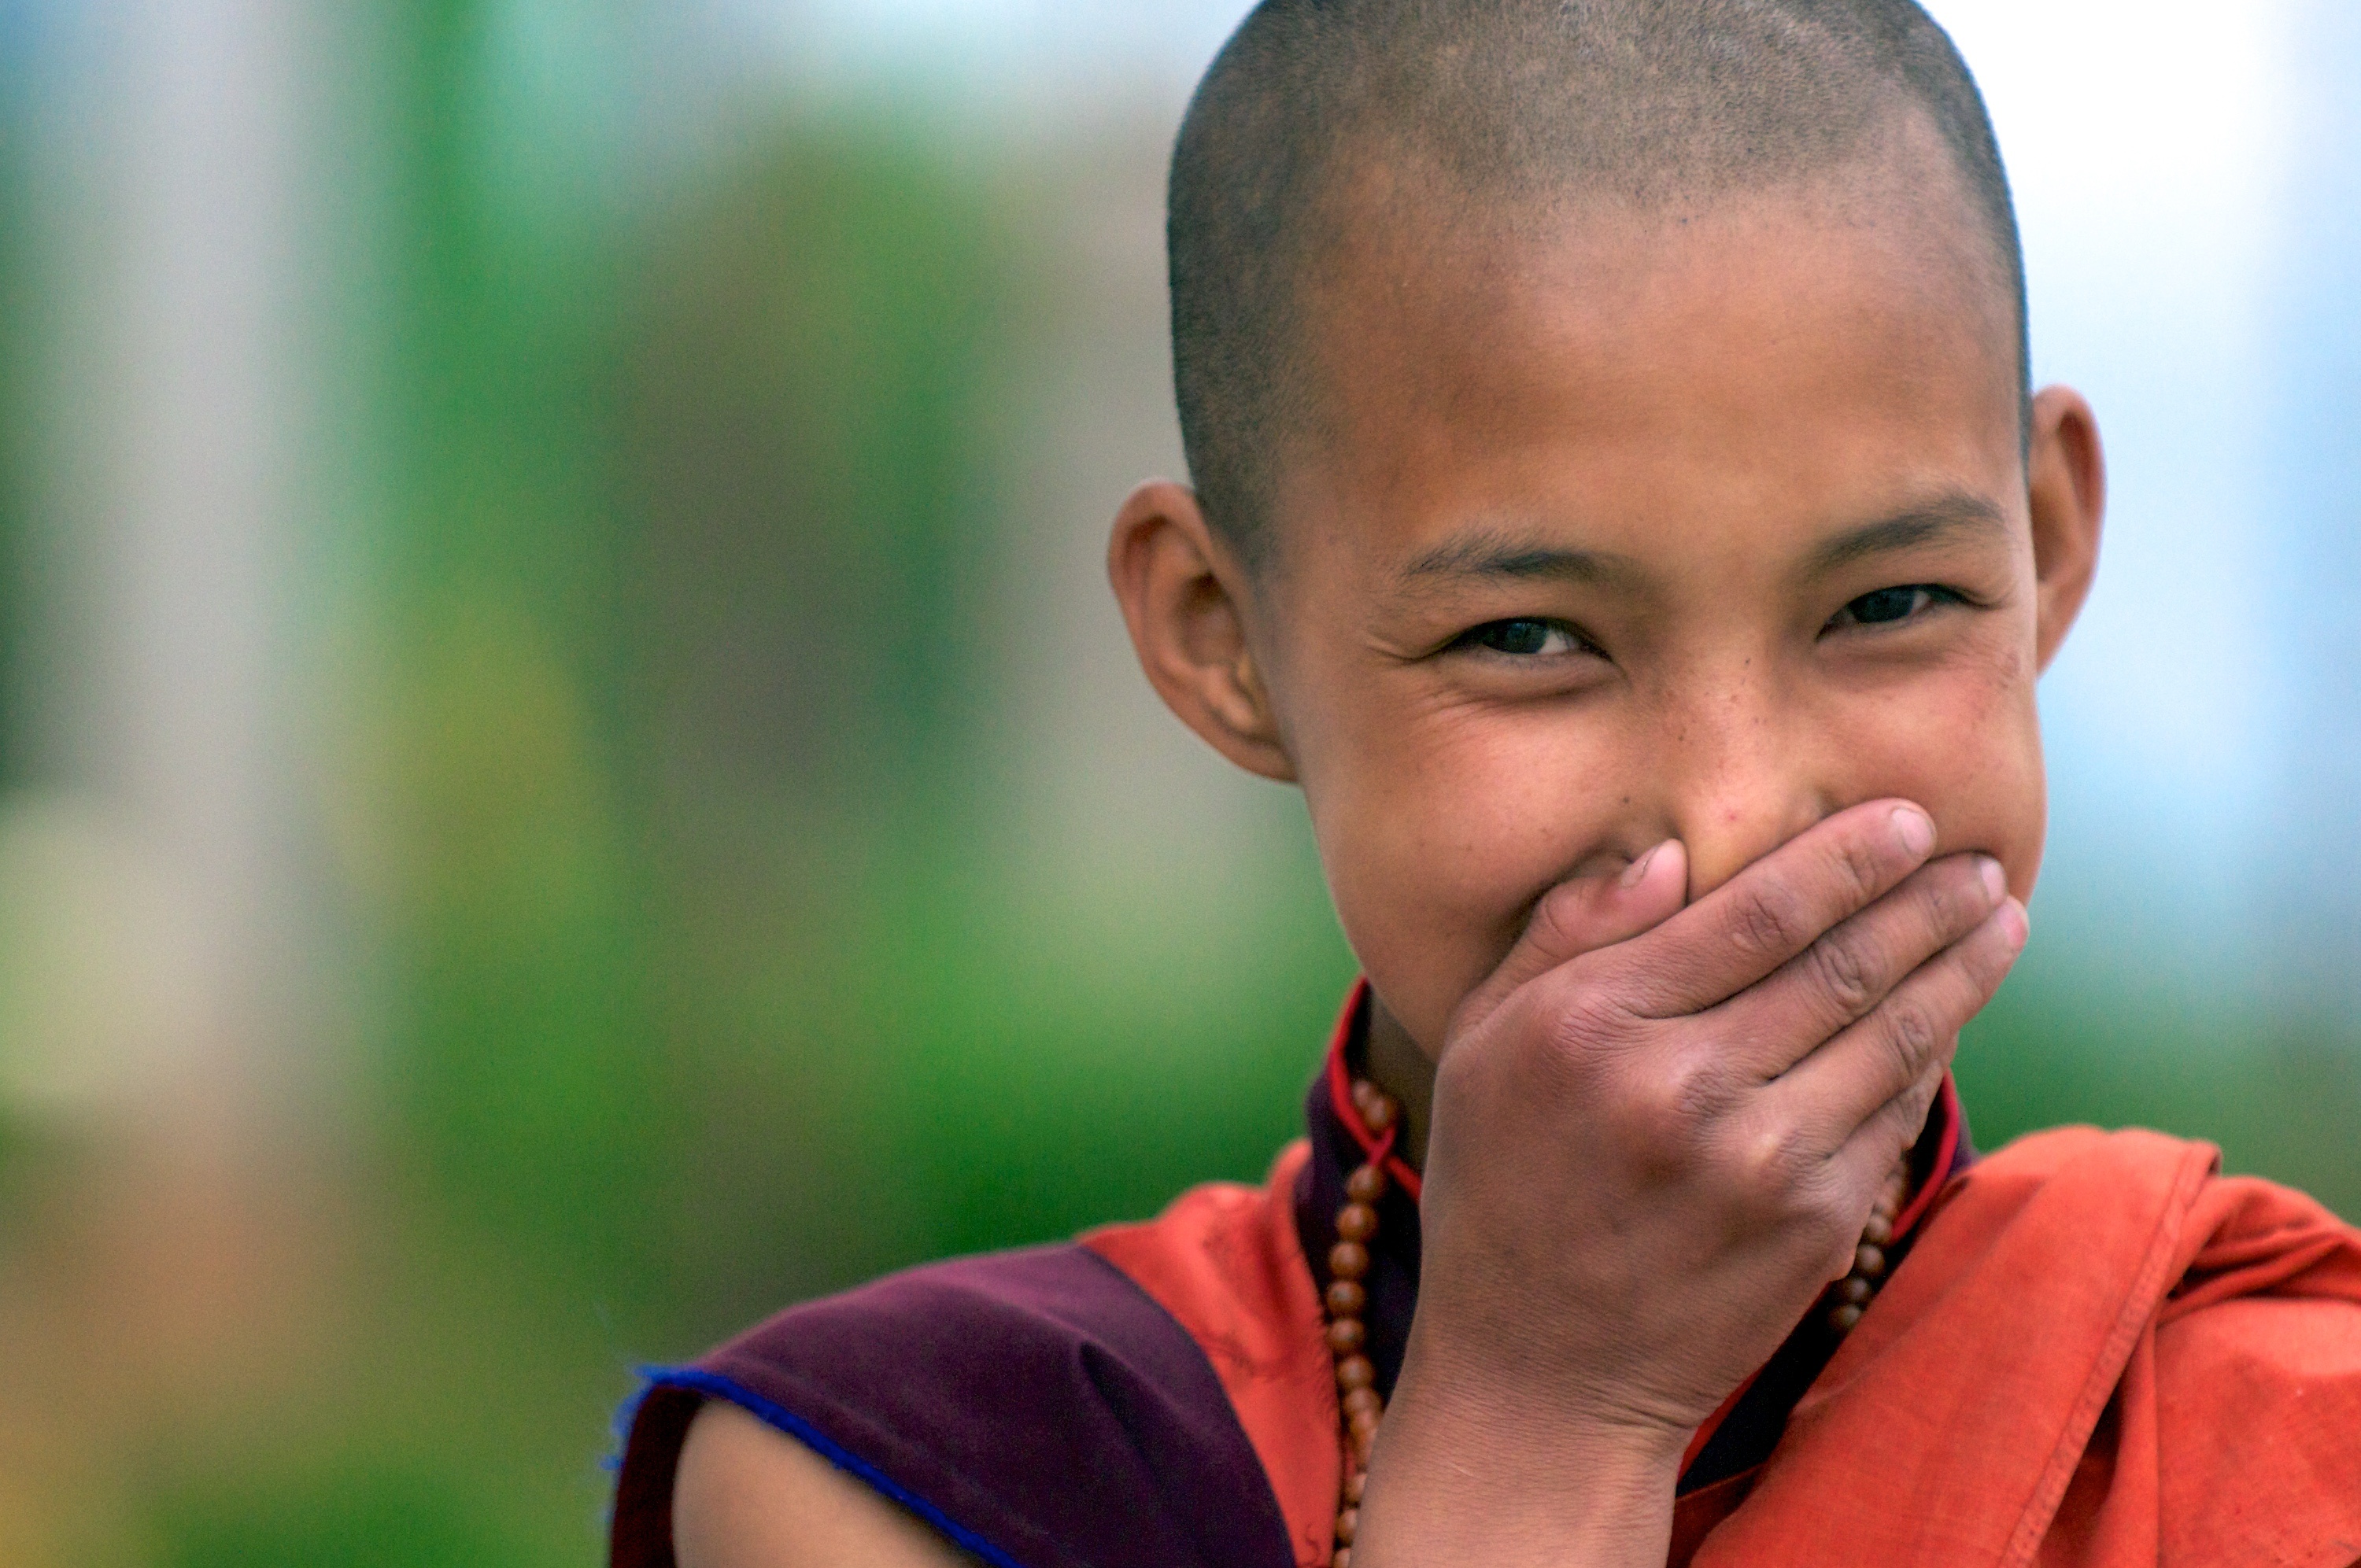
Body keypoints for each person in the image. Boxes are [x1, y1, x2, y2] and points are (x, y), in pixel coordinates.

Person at [610, 3, 2361, 1564]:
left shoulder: (2282, 1421)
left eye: (1889, 607)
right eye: (1533, 640)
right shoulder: (933, 1473)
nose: (1738, 811)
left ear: (2047, 545)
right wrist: (1547, 1415)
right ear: (1223, 636)